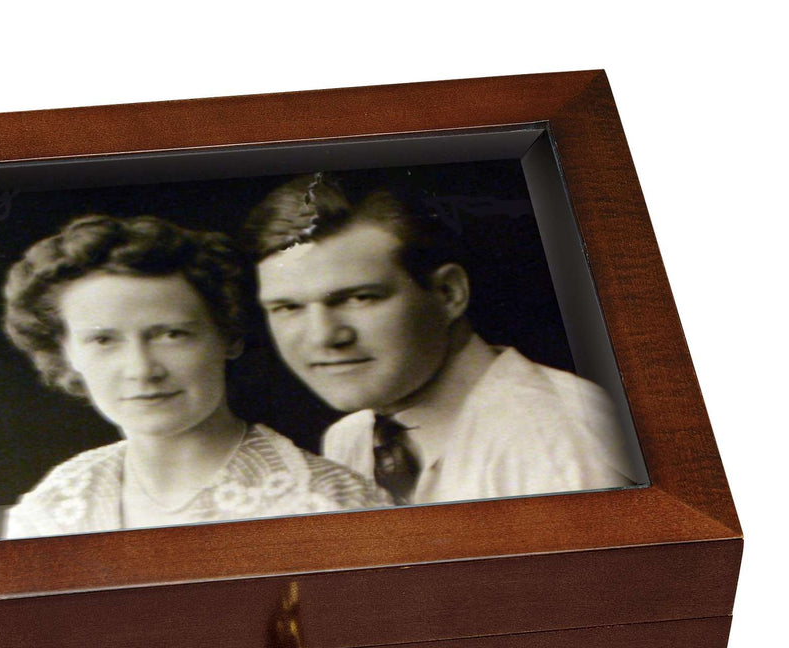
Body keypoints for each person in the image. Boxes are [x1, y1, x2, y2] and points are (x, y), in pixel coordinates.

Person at [244, 174, 637, 505]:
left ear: (449, 294)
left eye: (359, 297)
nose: (323, 336)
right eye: (287, 308)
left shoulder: (560, 437)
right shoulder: (351, 439)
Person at [1, 213, 385, 537]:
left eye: (172, 335)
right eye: (103, 340)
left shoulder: (325, 502)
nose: (142, 370)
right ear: (67, 354)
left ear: (229, 337)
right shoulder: (54, 505)